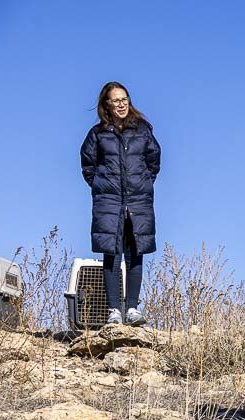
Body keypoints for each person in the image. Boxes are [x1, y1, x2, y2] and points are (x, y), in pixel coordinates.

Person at [80, 81, 161, 326]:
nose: (122, 104)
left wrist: (144, 182)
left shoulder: (143, 130)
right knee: (111, 254)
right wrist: (100, 186)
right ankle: (114, 310)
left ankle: (133, 309)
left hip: (138, 200)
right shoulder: (97, 134)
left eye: (124, 99)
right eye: (116, 100)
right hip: (109, 201)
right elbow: (88, 165)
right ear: (107, 104)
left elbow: (153, 161)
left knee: (136, 253)